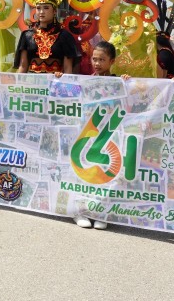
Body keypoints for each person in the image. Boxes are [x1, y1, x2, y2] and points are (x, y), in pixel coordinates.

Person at [55, 41, 129, 230]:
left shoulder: (119, 82)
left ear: (112, 61)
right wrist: (60, 79)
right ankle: (79, 212)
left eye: (102, 60)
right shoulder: (83, 82)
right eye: (94, 59)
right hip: (87, 134)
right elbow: (66, 95)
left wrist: (128, 82)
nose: (97, 63)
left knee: (104, 174)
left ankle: (101, 212)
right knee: (82, 172)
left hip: (108, 137)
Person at [15, 0, 77, 74]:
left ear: (54, 11)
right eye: (38, 8)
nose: (41, 12)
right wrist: (17, 84)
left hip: (55, 82)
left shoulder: (64, 36)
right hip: (32, 82)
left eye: (46, 8)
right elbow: (23, 66)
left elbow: (68, 69)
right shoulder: (27, 35)